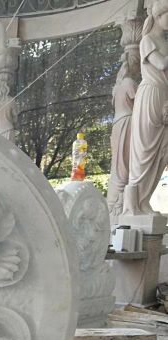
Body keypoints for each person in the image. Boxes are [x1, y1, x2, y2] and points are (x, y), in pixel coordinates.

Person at [123, 0, 168, 215]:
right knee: (145, 152)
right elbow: (161, 64)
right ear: (158, 16)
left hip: (164, 96)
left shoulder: (164, 41)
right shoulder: (147, 40)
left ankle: (144, 201)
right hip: (150, 95)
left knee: (161, 152)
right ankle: (132, 206)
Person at [107, 53, 139, 218]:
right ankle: (117, 205)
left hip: (118, 124)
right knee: (124, 166)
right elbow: (140, 104)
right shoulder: (128, 83)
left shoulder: (118, 86)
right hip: (127, 123)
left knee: (118, 166)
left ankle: (115, 204)